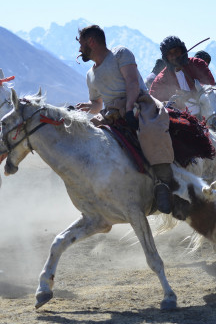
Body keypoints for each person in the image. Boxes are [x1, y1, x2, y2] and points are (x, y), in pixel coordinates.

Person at [75, 24, 175, 214]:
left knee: (151, 130)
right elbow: (97, 104)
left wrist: (129, 109)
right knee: (85, 136)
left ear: (91, 42)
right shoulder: (90, 75)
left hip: (138, 102)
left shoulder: (120, 53)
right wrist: (89, 107)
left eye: (81, 44)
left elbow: (132, 82)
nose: (79, 50)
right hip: (111, 112)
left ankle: (163, 183)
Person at [148, 36, 215, 102]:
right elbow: (153, 103)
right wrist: (172, 103)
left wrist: (192, 94)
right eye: (170, 53)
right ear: (166, 57)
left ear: (182, 51)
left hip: (206, 110)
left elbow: (211, 88)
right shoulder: (160, 80)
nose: (174, 56)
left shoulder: (198, 64)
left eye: (176, 51)